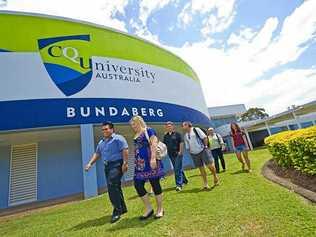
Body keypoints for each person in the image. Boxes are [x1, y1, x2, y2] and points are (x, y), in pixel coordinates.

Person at [85, 122, 129, 223]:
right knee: (116, 186)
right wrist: (90, 163)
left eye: (106, 129)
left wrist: (125, 163)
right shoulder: (101, 142)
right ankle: (123, 208)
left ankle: (117, 211)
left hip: (117, 164)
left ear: (112, 129)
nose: (104, 131)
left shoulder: (118, 138)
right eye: (103, 129)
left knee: (111, 185)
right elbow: (97, 153)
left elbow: (125, 150)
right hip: (107, 166)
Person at [130, 115, 165, 219]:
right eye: (132, 125)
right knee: (138, 184)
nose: (133, 127)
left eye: (134, 124)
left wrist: (153, 158)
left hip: (150, 162)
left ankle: (160, 209)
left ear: (140, 122)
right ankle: (149, 208)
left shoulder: (149, 130)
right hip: (140, 165)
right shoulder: (136, 134)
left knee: (155, 184)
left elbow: (153, 144)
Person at [182, 121, 219, 189]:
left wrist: (205, 146)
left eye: (184, 125)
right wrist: (190, 152)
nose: (183, 127)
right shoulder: (185, 135)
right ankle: (205, 184)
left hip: (203, 150)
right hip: (194, 154)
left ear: (188, 125)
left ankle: (215, 176)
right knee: (201, 169)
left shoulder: (196, 129)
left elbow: (204, 137)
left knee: (209, 166)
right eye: (183, 125)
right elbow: (187, 146)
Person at [163, 121, 188, 192]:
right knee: (178, 168)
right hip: (171, 155)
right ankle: (185, 180)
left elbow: (181, 142)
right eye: (167, 126)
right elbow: (164, 145)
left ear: (172, 127)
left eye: (170, 126)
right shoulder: (165, 136)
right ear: (166, 128)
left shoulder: (177, 134)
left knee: (177, 169)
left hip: (178, 154)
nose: (169, 127)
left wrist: (180, 151)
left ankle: (178, 185)